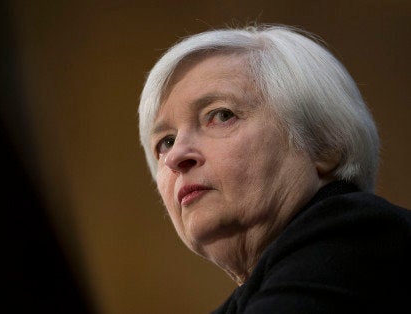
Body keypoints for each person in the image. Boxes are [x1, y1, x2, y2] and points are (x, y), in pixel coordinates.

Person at [137, 24, 411, 313]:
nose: (175, 156)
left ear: (324, 145)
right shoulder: (256, 291)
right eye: (165, 142)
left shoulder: (364, 237)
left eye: (221, 115)